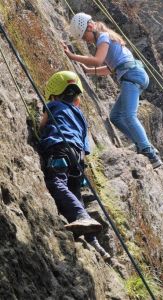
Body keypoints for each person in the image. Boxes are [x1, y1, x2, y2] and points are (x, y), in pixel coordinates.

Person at [63, 12, 162, 169]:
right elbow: (110, 68)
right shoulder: (106, 38)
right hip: (133, 74)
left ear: (90, 27)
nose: (85, 40)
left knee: (129, 116)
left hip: (131, 75)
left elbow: (98, 60)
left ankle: (149, 152)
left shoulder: (103, 37)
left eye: (84, 36)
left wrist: (72, 56)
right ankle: (141, 143)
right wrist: (88, 71)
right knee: (115, 116)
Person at [40, 70, 110, 260]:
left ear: (54, 94)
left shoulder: (53, 105)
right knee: (75, 192)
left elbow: (42, 125)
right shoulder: (80, 116)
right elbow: (84, 142)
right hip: (78, 156)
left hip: (59, 147)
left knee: (57, 183)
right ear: (76, 98)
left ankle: (82, 216)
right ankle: (95, 244)